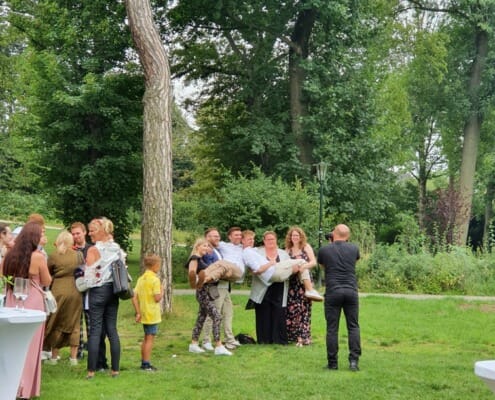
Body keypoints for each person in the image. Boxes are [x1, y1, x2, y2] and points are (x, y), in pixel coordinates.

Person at [0, 222, 52, 399]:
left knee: (11, 343)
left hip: (11, 299)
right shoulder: (37, 257)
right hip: (32, 300)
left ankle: (10, 383)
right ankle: (25, 387)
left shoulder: (9, 255)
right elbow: (46, 281)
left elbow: (3, 275)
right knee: (30, 345)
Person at [317, 224, 361, 371]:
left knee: (332, 328)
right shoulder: (354, 249)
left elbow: (323, 266)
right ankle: (354, 361)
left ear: (333, 234)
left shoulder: (324, 250)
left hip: (333, 291)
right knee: (353, 326)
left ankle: (332, 363)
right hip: (351, 291)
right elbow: (353, 264)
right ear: (347, 236)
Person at [84, 217, 124, 379]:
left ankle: (91, 371)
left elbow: (89, 278)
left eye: (92, 231)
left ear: (101, 231)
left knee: (95, 331)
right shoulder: (117, 249)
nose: (90, 234)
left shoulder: (94, 250)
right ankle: (115, 370)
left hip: (98, 291)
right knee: (112, 330)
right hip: (113, 291)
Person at [44, 230, 84, 366]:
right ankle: (73, 358)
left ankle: (54, 357)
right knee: (74, 323)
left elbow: (47, 273)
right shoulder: (78, 255)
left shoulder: (54, 256)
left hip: (58, 290)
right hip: (75, 290)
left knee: (56, 322)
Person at [186, 238, 232, 356]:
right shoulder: (195, 258)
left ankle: (194, 344)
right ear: (197, 247)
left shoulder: (200, 258)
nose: (206, 248)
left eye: (208, 246)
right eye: (204, 246)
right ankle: (218, 346)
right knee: (217, 316)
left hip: (207, 290)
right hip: (202, 291)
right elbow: (191, 270)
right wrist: (196, 279)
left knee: (201, 318)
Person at [201, 228, 241, 351]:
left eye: (218, 236)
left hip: (225, 285)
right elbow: (208, 268)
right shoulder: (207, 251)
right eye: (213, 236)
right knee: (214, 313)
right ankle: (206, 340)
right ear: (207, 237)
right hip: (215, 286)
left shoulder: (217, 250)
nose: (217, 238)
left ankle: (229, 339)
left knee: (228, 313)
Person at [250, 231, 291, 345]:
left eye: (272, 239)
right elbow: (253, 268)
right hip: (262, 285)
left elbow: (289, 267)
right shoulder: (258, 252)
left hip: (280, 286)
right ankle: (264, 339)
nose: (270, 241)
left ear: (276, 240)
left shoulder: (283, 254)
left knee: (279, 311)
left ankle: (278, 339)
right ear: (264, 241)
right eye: (268, 239)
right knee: (263, 311)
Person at [285, 226, 321, 347]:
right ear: (290, 237)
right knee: (292, 309)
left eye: (297, 235)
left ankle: (303, 337)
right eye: (293, 235)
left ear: (301, 237)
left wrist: (304, 266)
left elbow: (313, 262)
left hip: (304, 282)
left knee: (303, 309)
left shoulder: (306, 247)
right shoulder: (288, 250)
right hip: (292, 283)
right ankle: (293, 336)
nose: (294, 237)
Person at [132, 254, 164, 371]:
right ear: (155, 265)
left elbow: (134, 297)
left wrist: (138, 312)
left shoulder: (141, 279)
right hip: (152, 314)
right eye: (159, 265)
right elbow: (157, 298)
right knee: (150, 339)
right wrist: (162, 290)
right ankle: (146, 364)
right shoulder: (155, 280)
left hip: (144, 312)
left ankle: (144, 361)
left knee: (146, 338)